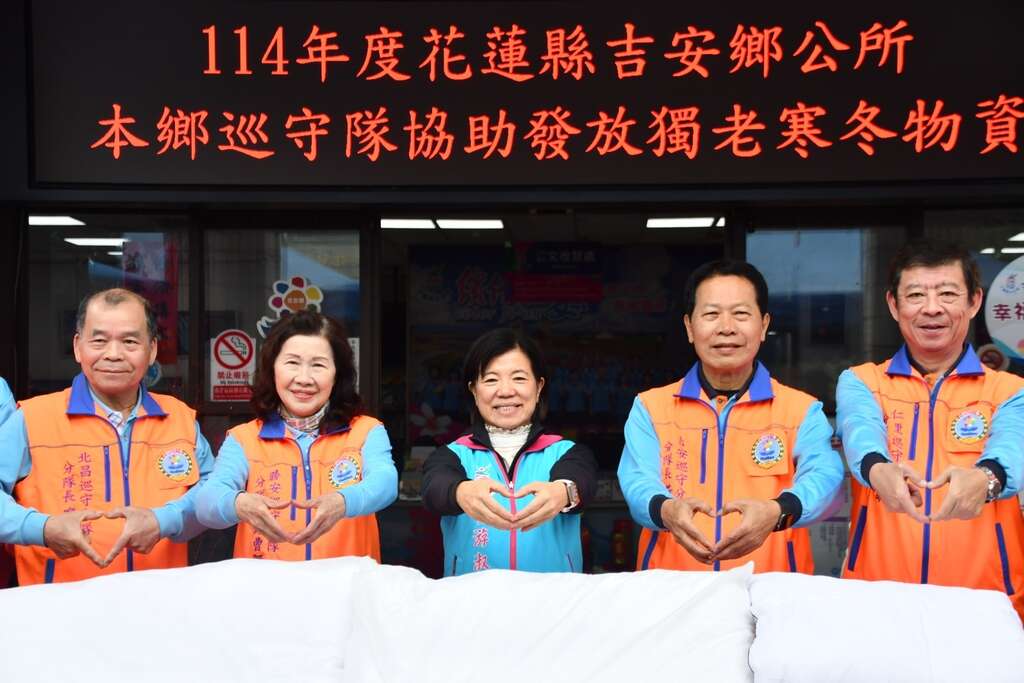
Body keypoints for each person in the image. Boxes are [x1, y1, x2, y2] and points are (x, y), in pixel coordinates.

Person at [837, 240, 1024, 619]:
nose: (932, 307)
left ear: (974, 302)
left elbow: (1013, 448)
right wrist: (877, 469)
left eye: (948, 294)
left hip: (988, 602)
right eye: (916, 295)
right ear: (894, 305)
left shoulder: (1011, 391)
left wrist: (986, 480)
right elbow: (860, 433)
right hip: (877, 601)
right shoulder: (862, 382)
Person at [618, 260, 844, 573]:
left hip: (771, 589)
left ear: (763, 325)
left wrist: (778, 511)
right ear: (689, 327)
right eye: (711, 314)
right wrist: (666, 509)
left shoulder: (801, 410)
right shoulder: (650, 408)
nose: (726, 327)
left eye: (740, 313)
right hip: (673, 589)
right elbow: (637, 481)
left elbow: (826, 477)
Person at [0, 289, 213, 584]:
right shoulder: (31, 418)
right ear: (78, 347)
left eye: (129, 341)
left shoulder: (179, 419)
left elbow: (214, 490)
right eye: (99, 341)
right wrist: (42, 528)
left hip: (160, 600)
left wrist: (164, 520)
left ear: (152, 350)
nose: (113, 354)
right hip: (59, 604)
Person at [196, 310, 397, 561]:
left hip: (346, 583)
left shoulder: (366, 431)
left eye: (318, 365)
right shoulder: (243, 439)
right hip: (266, 585)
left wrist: (344, 501)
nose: (304, 379)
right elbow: (206, 503)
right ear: (272, 368)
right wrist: (238, 504)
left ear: (337, 374)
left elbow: (386, 482)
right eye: (292, 362)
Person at [421, 329, 597, 575]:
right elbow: (434, 487)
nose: (505, 391)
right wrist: (459, 492)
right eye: (491, 380)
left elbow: (582, 481)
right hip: (471, 595)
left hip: (552, 595)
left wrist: (564, 492)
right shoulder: (452, 454)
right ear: (474, 390)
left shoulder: (566, 452)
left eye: (519, 378)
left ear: (539, 387)